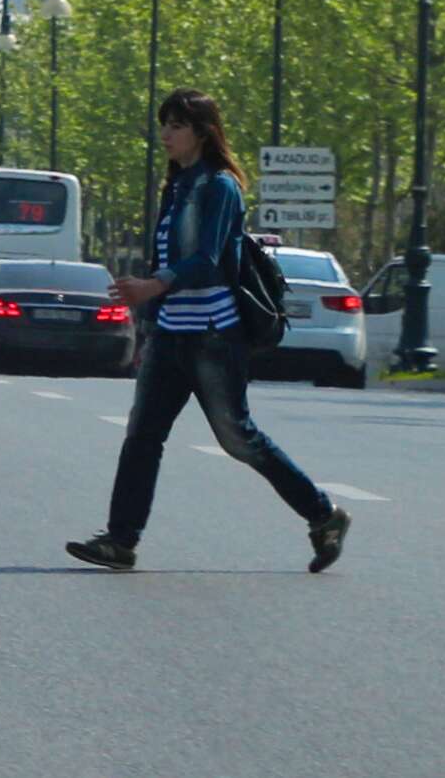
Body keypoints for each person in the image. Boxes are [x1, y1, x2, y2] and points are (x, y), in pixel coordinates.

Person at [67, 89, 351, 573]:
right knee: (142, 435)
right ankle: (120, 540)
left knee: (237, 439)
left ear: (202, 132)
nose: (165, 135)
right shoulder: (176, 187)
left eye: (176, 126)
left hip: (213, 336)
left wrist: (153, 287)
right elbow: (167, 257)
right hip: (172, 334)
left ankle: (323, 515)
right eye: (164, 125)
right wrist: (151, 324)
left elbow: (208, 259)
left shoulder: (219, 187)